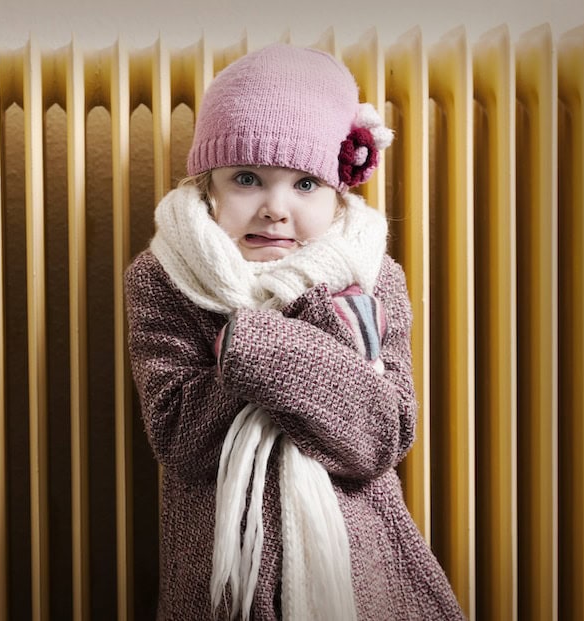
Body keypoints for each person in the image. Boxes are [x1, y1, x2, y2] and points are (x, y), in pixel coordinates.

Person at [124, 44, 464, 620]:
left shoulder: (371, 278)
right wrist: (295, 348)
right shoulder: (163, 277)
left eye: (305, 184)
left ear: (338, 193)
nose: (275, 208)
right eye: (248, 179)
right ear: (209, 185)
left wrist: (257, 347)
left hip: (356, 564)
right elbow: (181, 439)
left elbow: (380, 437)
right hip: (218, 569)